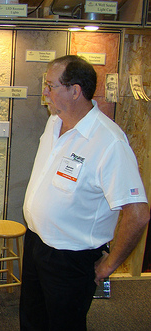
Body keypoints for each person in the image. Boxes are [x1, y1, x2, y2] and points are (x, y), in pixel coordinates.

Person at [21, 55, 149, 330]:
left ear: (75, 90)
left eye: (50, 86)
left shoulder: (109, 142)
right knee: (33, 320)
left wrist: (107, 267)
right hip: (37, 245)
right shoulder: (54, 122)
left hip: (71, 259)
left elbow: (138, 214)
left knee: (64, 324)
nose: (45, 92)